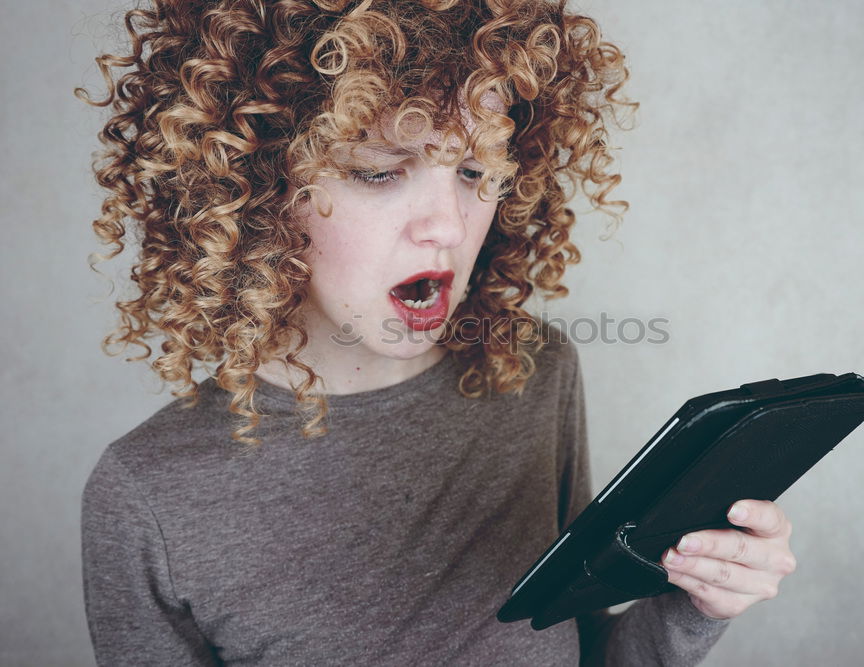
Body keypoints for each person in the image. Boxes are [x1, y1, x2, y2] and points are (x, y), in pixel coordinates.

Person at [78, 0, 797, 664]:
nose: (450, 226)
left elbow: (581, 650)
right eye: (379, 172)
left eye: (476, 169)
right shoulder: (148, 495)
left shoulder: (534, 371)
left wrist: (697, 602)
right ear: (256, 188)